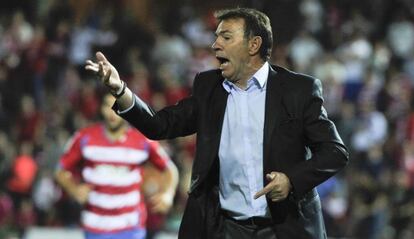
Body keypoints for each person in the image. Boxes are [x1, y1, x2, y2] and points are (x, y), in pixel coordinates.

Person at [86, 7, 349, 239]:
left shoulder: (298, 90)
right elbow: (159, 125)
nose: (215, 45)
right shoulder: (208, 87)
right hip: (227, 229)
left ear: (253, 44)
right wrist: (120, 90)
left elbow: (334, 152)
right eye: (216, 37)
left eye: (226, 37)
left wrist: (292, 180)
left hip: (285, 227)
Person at [55, 93, 178, 239]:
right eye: (108, 105)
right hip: (95, 226)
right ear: (101, 108)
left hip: (131, 227)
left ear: (127, 108)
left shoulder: (142, 140)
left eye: (118, 105)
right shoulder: (84, 137)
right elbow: (60, 170)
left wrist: (168, 194)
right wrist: (74, 190)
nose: (113, 111)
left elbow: (170, 169)